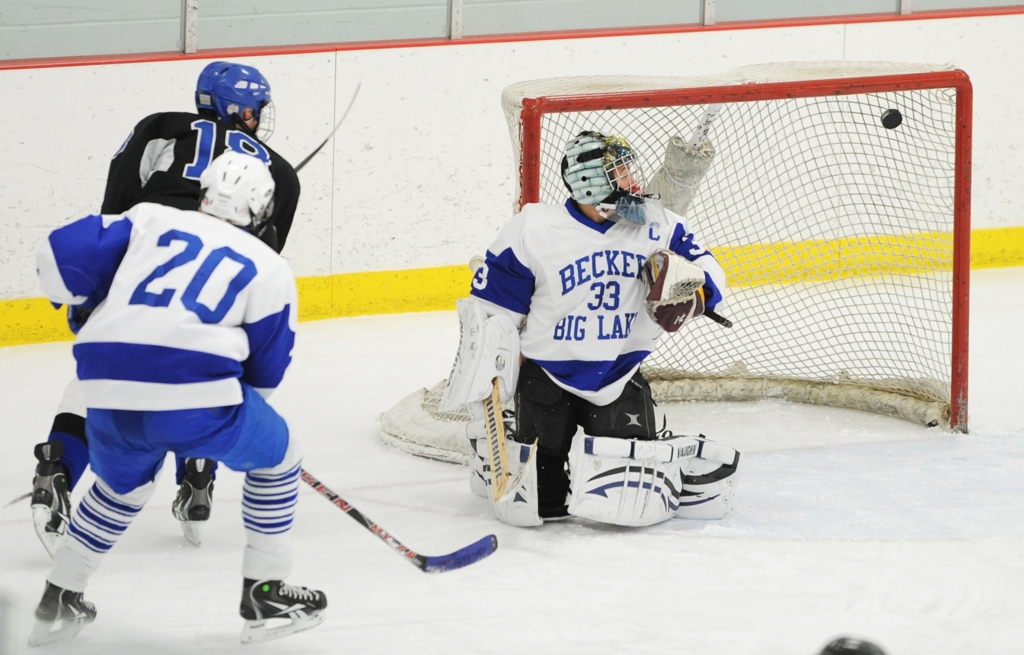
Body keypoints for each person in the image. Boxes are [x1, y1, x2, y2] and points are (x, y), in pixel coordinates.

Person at [29, 152, 325, 646]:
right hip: (195, 395)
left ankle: (59, 597)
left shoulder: (147, 218)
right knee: (281, 456)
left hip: (104, 389)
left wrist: (84, 313)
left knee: (119, 489)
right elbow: (266, 376)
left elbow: (59, 256)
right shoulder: (269, 266)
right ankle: (266, 595)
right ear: (263, 206)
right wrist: (221, 416)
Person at [29, 60, 302, 553]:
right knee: (209, 365)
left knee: (112, 366)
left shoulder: (160, 126)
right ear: (236, 109)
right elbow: (262, 257)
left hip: (143, 254)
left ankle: (59, 464)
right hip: (212, 279)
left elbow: (118, 202)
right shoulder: (280, 171)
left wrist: (108, 278)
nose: (259, 118)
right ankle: (198, 474)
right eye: (254, 109)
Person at [441, 130, 740, 527]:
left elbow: (711, 267)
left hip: (620, 374)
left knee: (630, 499)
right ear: (591, 182)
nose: (634, 182)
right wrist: (490, 377)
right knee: (541, 503)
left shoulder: (658, 225)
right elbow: (491, 317)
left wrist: (698, 294)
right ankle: (506, 445)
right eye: (620, 173)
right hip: (547, 377)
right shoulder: (533, 230)